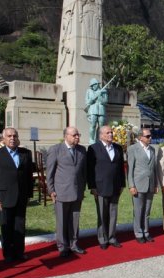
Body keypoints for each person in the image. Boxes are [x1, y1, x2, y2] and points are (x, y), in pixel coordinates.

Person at [0, 128, 34, 263]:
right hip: (4, 197)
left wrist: (28, 194)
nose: (12, 138)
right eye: (9, 136)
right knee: (6, 226)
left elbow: (29, 177)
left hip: (21, 197)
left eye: (15, 136)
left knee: (20, 225)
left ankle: (19, 252)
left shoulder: (26, 154)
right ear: (3, 139)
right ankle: (8, 254)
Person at [46, 127, 87, 257]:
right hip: (61, 192)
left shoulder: (81, 150)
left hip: (77, 192)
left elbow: (83, 172)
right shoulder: (55, 150)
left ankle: (74, 244)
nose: (77, 137)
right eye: (74, 135)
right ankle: (63, 247)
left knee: (74, 221)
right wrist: (51, 190)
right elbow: (50, 173)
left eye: (78, 135)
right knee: (62, 221)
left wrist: (83, 187)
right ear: (66, 136)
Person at [87, 125, 126, 249]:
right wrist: (92, 186)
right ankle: (102, 239)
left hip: (115, 186)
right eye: (108, 132)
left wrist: (122, 184)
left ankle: (112, 237)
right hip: (100, 187)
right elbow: (90, 170)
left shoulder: (118, 148)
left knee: (113, 213)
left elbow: (121, 168)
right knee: (102, 214)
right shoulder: (93, 148)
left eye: (111, 132)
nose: (111, 134)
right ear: (101, 135)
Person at [127, 128, 159, 244]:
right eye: (148, 136)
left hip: (150, 185)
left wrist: (156, 184)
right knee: (138, 210)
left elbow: (154, 169)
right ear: (141, 137)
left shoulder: (152, 149)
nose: (150, 138)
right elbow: (130, 169)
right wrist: (131, 185)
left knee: (147, 211)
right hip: (138, 184)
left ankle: (146, 232)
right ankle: (138, 233)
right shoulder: (132, 149)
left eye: (150, 136)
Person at [85, 78, 108, 144]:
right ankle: (92, 139)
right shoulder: (89, 91)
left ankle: (100, 139)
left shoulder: (103, 91)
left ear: (97, 85)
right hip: (93, 110)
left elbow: (106, 101)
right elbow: (87, 102)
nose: (93, 86)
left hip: (101, 110)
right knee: (93, 125)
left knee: (101, 126)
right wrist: (93, 97)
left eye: (94, 85)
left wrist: (100, 97)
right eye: (92, 85)